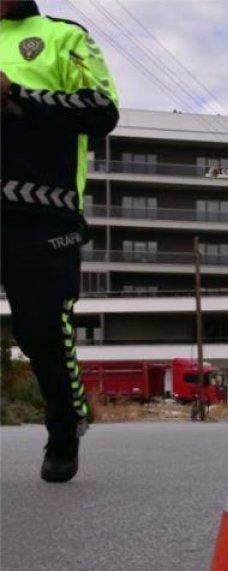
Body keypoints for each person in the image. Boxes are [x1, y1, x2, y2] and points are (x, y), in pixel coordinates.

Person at [1, 0, 119, 482]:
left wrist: (17, 95)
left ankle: (65, 428)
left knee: (41, 331)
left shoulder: (62, 35)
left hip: (41, 212)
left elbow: (102, 110)